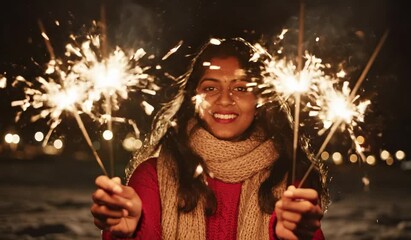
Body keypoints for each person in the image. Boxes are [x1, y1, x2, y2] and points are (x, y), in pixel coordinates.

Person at [90, 37, 329, 240]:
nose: (225, 100)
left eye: (241, 88)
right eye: (211, 88)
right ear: (194, 99)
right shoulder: (151, 176)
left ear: (261, 102)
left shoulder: (290, 182)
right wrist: (125, 234)